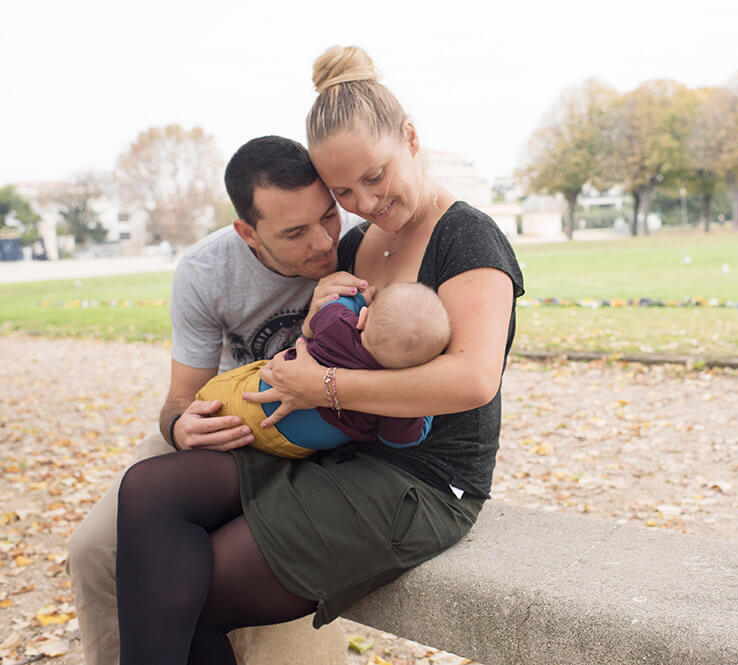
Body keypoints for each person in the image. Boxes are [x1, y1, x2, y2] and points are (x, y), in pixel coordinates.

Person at [113, 44, 524, 665]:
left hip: (422, 481)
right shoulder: (357, 243)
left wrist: (321, 386)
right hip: (337, 449)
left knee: (193, 586)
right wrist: (312, 327)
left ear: (411, 138)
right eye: (343, 191)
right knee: (150, 490)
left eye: (375, 176)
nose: (364, 201)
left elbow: (471, 380)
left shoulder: (467, 238)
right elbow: (332, 341)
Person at [67, 135, 366, 665]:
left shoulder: (361, 249)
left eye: (327, 216)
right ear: (247, 233)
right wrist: (180, 427)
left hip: (314, 443)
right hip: (227, 429)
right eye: (295, 232)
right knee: (93, 549)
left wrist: (325, 327)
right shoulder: (206, 271)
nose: (323, 242)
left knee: (251, 587)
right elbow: (178, 401)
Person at [195, 282, 450, 459]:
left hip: (254, 391)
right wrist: (425, 410)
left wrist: (358, 299)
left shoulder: (337, 324)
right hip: (288, 446)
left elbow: (327, 307)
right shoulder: (388, 397)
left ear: (363, 318)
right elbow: (400, 439)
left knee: (212, 398)